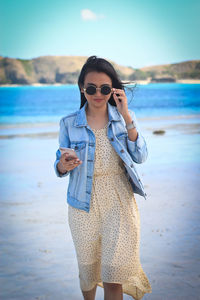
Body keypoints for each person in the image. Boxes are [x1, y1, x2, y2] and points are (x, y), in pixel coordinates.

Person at [54, 55, 152, 300]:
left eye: (105, 88)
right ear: (82, 88)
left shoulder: (124, 118)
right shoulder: (68, 123)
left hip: (119, 201)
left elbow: (140, 156)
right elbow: (59, 164)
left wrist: (127, 116)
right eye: (91, 88)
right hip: (82, 206)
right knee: (87, 273)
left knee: (113, 275)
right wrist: (63, 165)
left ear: (113, 90)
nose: (98, 93)